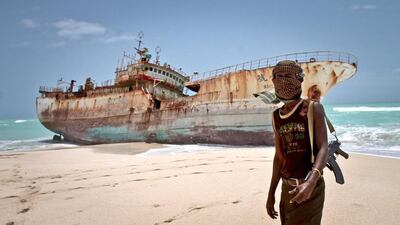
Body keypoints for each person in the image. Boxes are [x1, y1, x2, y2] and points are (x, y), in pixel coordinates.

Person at [266, 60, 328, 225]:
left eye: (287, 75)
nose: (283, 80)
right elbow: (279, 157)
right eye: (278, 76)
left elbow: (323, 147)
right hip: (287, 189)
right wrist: (271, 192)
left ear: (299, 79)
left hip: (310, 188)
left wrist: (311, 182)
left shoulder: (312, 108)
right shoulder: (276, 116)